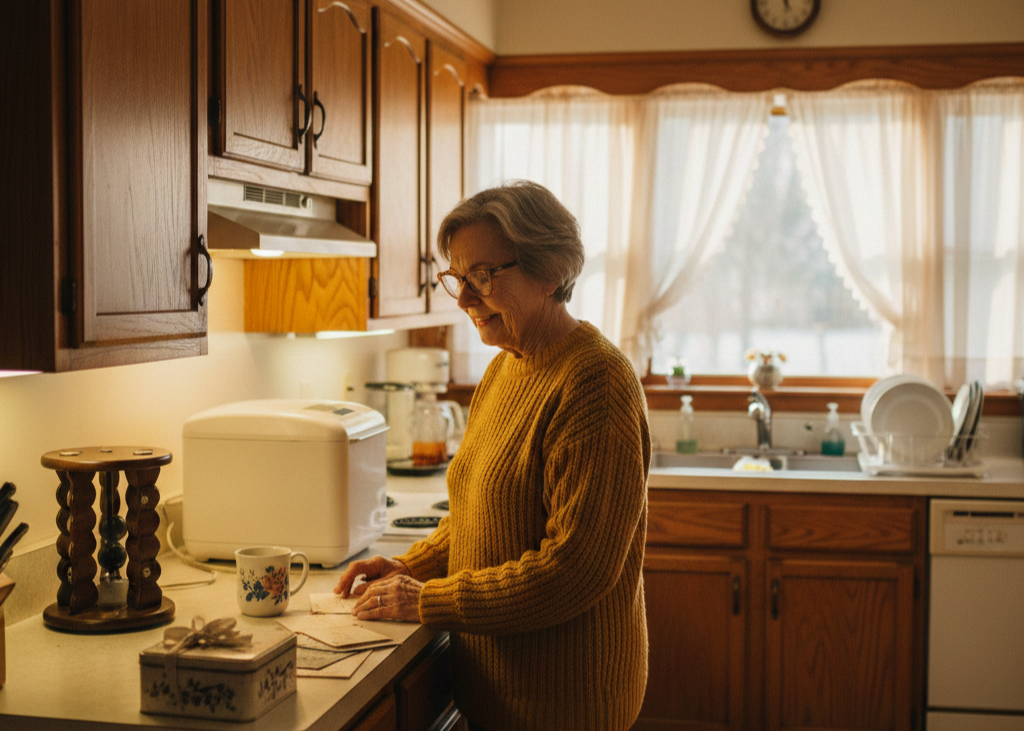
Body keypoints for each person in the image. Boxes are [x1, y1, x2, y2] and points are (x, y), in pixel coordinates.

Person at [335, 180, 650, 731]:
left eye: (482, 276)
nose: (463, 300)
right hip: (499, 693)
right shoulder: (505, 367)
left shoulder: (597, 383)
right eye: (457, 277)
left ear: (550, 271)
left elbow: (575, 571)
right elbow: (478, 517)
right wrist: (410, 567)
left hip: (566, 702)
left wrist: (428, 599)